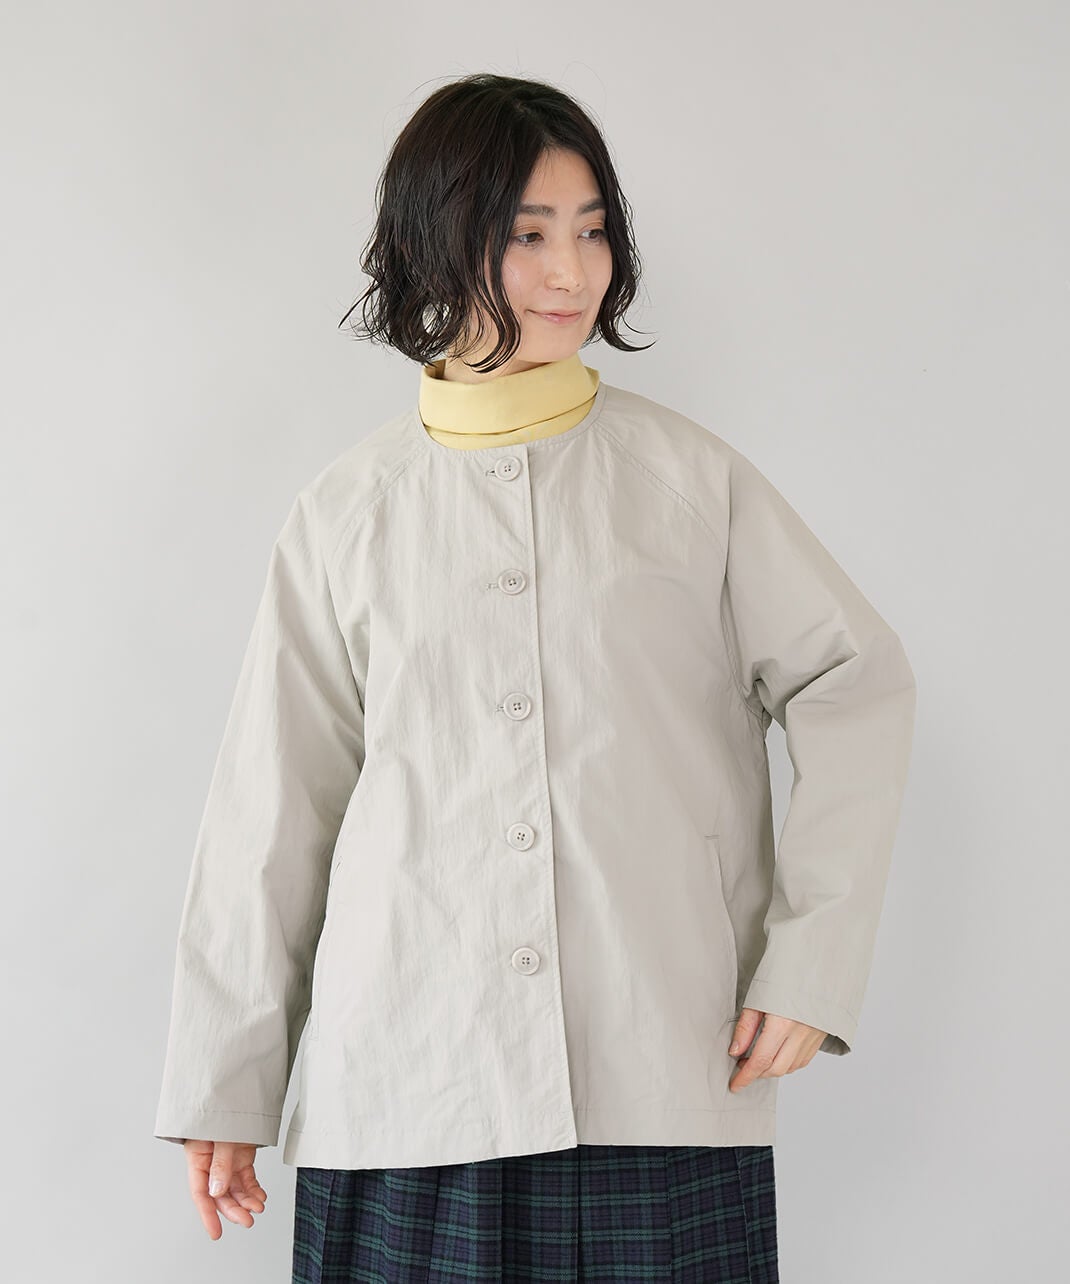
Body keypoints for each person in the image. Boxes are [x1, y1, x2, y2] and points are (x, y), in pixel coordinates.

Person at [153, 73, 916, 1283]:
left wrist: (810, 958)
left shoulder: (689, 484)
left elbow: (851, 681)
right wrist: (224, 1082)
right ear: (433, 240)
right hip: (406, 1088)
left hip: (654, 1075)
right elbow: (273, 813)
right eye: (526, 235)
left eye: (592, 230)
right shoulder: (346, 513)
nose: (571, 272)